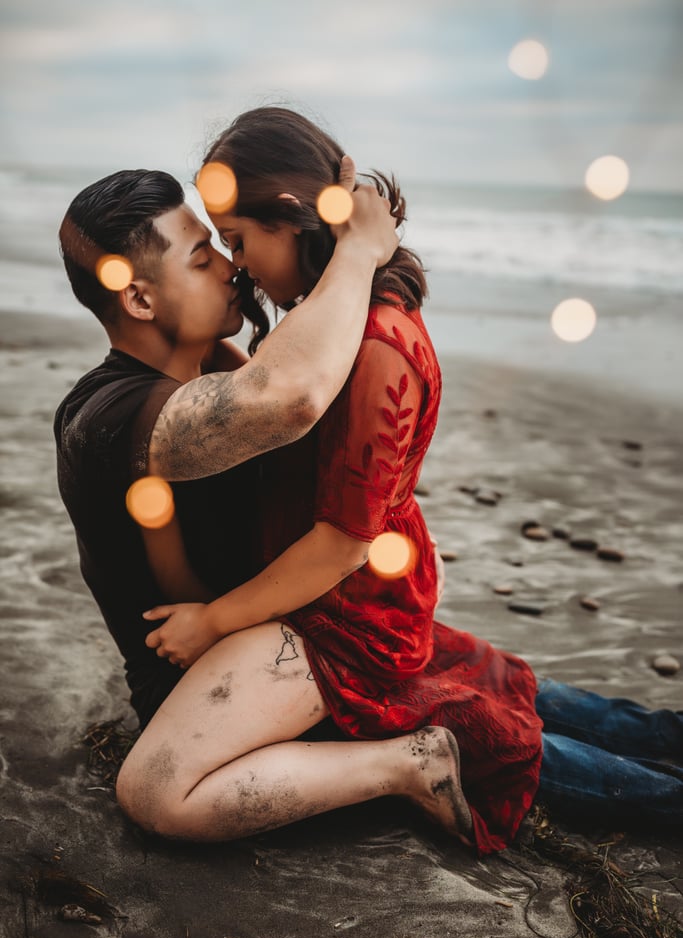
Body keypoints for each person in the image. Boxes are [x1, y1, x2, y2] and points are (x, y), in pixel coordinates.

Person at [135, 108, 683, 853]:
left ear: (292, 218)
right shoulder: (340, 316)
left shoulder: (373, 346)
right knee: (474, 687)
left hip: (347, 607)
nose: (236, 264)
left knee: (476, 730)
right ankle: (663, 734)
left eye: (238, 240)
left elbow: (339, 545)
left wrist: (214, 621)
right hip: (356, 590)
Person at [56, 160, 478, 851]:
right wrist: (358, 251)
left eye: (227, 247)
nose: (230, 268)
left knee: (500, 699)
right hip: (218, 674)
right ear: (137, 300)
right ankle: (403, 766)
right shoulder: (108, 418)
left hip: (286, 640)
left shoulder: (202, 366)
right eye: (202, 259)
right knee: (155, 795)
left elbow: (294, 371)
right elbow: (286, 397)